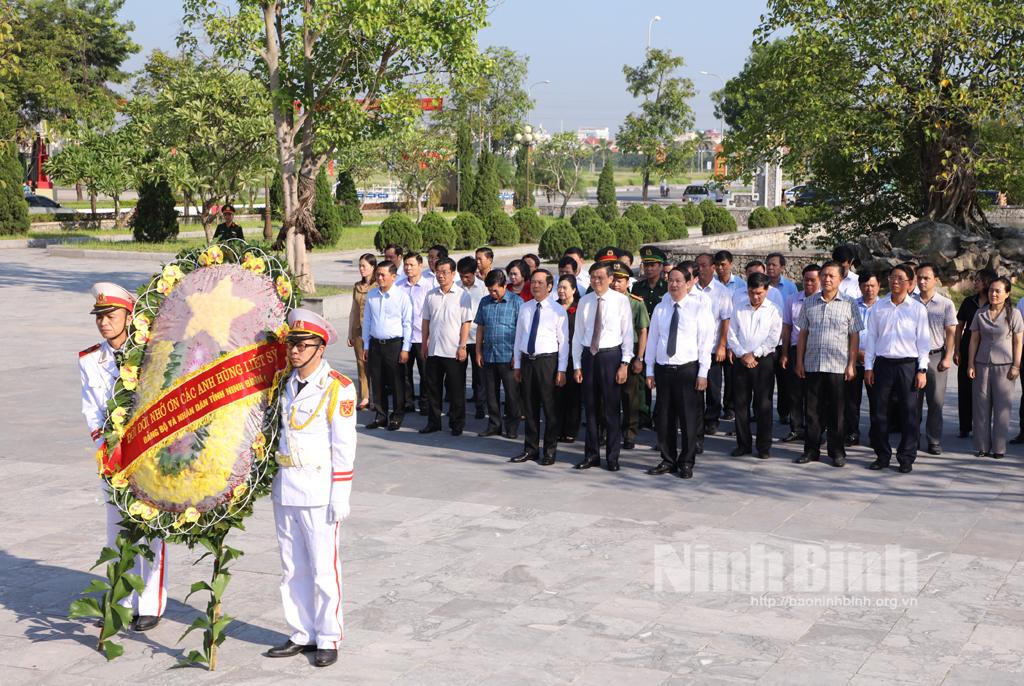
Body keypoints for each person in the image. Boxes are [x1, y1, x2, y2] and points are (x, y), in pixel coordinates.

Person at [267, 309, 355, 668]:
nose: (295, 351)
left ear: (320, 347)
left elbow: (343, 447)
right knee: (291, 566)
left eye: (303, 344)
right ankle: (301, 631)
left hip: (319, 490)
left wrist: (340, 496)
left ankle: (329, 635)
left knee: (322, 567)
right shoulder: (285, 383)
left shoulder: (338, 386)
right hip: (286, 486)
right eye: (292, 343)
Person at [80, 282, 167, 632]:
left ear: (129, 316)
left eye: (111, 315)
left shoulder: (151, 355)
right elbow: (91, 409)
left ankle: (149, 602)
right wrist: (108, 443)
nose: (104, 322)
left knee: (149, 529)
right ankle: (120, 598)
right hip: (113, 457)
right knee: (116, 532)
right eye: (99, 316)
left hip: (147, 455)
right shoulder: (91, 360)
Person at [645, 263, 715, 478]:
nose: (673, 284)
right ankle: (667, 459)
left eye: (678, 281)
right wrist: (649, 369)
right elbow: (653, 339)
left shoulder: (699, 308)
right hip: (664, 369)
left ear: (689, 283)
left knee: (688, 419)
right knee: (664, 417)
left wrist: (703, 372)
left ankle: (686, 462)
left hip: (688, 370)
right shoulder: (661, 308)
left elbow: (705, 342)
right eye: (671, 280)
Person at [864, 264, 931, 473]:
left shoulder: (917, 309)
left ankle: (906, 457)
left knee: (909, 413)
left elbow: (923, 342)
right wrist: (868, 367)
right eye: (892, 277)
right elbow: (872, 338)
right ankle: (882, 455)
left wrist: (922, 370)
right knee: (878, 412)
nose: (895, 281)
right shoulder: (879, 307)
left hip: (908, 366)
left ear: (910, 283)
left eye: (901, 278)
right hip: (883, 364)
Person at [794, 262, 862, 467]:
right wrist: (799, 361)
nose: (827, 279)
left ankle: (836, 451)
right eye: (824, 275)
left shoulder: (850, 303)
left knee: (837, 412)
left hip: (837, 366)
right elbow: (803, 334)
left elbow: (854, 336)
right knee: (812, 411)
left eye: (831, 276)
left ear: (841, 279)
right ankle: (811, 450)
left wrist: (851, 364)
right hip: (813, 364)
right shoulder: (809, 302)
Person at [572, 262, 633, 471]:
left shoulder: (620, 301)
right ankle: (591, 455)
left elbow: (627, 334)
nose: (596, 281)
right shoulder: (585, 302)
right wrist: (577, 365)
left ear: (610, 279)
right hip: (589, 356)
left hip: (611, 357)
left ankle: (613, 457)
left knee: (611, 410)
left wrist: (625, 363)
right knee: (590, 409)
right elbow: (578, 335)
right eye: (592, 278)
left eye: (600, 277)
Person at [511, 269, 569, 465]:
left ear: (549, 286)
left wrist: (561, 370)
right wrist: (517, 364)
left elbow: (564, 343)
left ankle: (550, 451)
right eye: (533, 282)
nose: (535, 286)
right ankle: (530, 448)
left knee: (550, 409)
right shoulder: (525, 308)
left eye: (540, 283)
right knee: (529, 407)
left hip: (548, 363)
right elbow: (519, 337)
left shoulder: (557, 310)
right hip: (528, 361)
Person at [728, 272, 783, 459]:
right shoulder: (738, 308)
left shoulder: (773, 310)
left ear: (766, 290)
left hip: (763, 361)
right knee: (741, 404)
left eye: (759, 292)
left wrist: (755, 354)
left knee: (763, 404)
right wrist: (743, 354)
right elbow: (731, 335)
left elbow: (773, 338)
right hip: (741, 359)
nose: (755, 296)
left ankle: (763, 446)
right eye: (752, 292)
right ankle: (743, 444)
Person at [967, 277, 1023, 459]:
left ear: (1007, 294)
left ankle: (999, 448)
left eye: (998, 291)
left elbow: (1018, 341)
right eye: (991, 290)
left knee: (1002, 408)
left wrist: (1016, 365)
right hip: (982, 364)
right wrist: (970, 364)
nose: (994, 294)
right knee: (981, 406)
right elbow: (974, 339)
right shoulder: (980, 313)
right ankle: (982, 446)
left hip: (1005, 366)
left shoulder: (1013, 314)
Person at [420, 258, 473, 436]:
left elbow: (466, 322)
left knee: (456, 390)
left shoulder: (462, 295)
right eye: (438, 272)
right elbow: (426, 321)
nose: (440, 275)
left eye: (444, 272)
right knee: (433, 389)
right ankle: (433, 422)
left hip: (453, 351)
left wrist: (463, 345)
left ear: (453, 273)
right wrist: (424, 344)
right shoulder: (431, 295)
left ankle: (457, 423)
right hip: (434, 349)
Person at [362, 262, 412, 430]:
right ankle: (381, 415)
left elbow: (407, 323)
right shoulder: (372, 295)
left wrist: (406, 348)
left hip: (394, 344)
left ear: (393, 276)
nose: (380, 278)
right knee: (377, 381)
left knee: (396, 381)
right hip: (376, 344)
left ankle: (397, 415)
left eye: (383, 275)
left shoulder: (402, 296)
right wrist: (366, 345)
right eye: (378, 274)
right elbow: (367, 320)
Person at [913, 263, 957, 455]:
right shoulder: (909, 301)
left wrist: (947, 357)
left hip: (936, 356)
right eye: (919, 277)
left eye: (926, 278)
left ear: (935, 280)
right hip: (912, 358)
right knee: (912, 402)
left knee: (935, 402)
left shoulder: (945, 303)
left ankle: (934, 440)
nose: (922, 281)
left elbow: (951, 332)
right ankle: (912, 438)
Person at [475, 270, 522, 439]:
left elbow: (521, 331)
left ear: (504, 285)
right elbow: (480, 327)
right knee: (491, 393)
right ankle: (494, 425)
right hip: (489, 355)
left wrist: (517, 356)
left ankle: (512, 427)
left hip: (508, 356)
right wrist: (478, 351)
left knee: (511, 394)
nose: (492, 294)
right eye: (489, 290)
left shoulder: (517, 302)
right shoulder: (484, 302)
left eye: (495, 290)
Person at [779, 264, 820, 443]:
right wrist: (785, 353)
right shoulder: (792, 299)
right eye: (806, 280)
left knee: (814, 394)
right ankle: (796, 428)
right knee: (794, 392)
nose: (809, 283)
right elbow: (787, 327)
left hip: (816, 351)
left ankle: (815, 431)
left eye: (813, 280)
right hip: (796, 350)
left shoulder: (822, 301)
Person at [694, 253, 733, 437]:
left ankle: (712, 419)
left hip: (712, 347)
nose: (700, 269)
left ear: (713, 267)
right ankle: (696, 419)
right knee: (694, 387)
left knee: (713, 387)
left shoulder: (721, 291)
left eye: (703, 266)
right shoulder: (690, 289)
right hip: (693, 349)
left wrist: (722, 346)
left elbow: (726, 320)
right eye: (698, 266)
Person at [611, 261, 649, 450]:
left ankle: (630, 433)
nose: (615, 284)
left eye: (620, 280)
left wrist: (639, 358)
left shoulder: (635, 302)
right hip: (610, 350)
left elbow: (642, 331)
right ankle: (609, 431)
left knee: (630, 396)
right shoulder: (605, 300)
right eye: (614, 280)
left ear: (627, 282)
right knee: (609, 395)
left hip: (631, 349)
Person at [955, 269, 997, 438]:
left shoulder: (996, 303)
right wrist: (956, 349)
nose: (975, 283)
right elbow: (958, 327)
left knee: (985, 390)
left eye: (978, 280)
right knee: (965, 388)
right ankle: (965, 426)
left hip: (987, 350)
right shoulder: (968, 302)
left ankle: (983, 425)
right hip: (967, 348)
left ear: (987, 282)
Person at [848, 271, 881, 445]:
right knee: (852, 401)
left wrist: (870, 354)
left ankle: (876, 435)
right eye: (866, 286)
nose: (869, 289)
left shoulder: (884, 307)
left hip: (876, 362)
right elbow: (845, 332)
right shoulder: (851, 305)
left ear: (879, 287)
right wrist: (856, 353)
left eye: (873, 285)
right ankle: (852, 433)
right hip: (854, 359)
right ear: (860, 287)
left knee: (877, 401)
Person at [398, 253, 432, 415]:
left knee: (425, 373)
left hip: (422, 337)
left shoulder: (429, 287)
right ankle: (408, 401)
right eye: (406, 265)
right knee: (404, 372)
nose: (408, 268)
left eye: (411, 265)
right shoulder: (398, 287)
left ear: (420, 266)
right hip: (404, 337)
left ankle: (425, 403)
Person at [458, 257, 488, 420]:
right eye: (462, 276)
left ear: (474, 273)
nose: (464, 279)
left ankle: (480, 406)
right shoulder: (455, 288)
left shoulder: (483, 288)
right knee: (458, 375)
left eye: (467, 276)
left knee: (479, 376)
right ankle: (458, 406)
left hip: (478, 338)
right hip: (460, 339)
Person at [347, 253, 377, 410]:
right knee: (361, 364)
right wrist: (349, 333)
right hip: (358, 330)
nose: (361, 269)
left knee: (374, 364)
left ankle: (377, 396)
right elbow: (353, 309)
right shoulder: (357, 286)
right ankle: (365, 397)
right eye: (359, 265)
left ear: (373, 267)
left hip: (373, 331)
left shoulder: (378, 285)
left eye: (364, 266)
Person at [555, 275, 582, 442]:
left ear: (573, 290)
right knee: (557, 394)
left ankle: (571, 429)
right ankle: (557, 428)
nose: (561, 291)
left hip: (574, 356)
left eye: (565, 287)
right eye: (559, 287)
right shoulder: (552, 307)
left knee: (573, 395)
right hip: (555, 356)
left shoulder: (579, 308)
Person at [632, 246, 668, 317]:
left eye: (652, 265)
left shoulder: (667, 288)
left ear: (661, 267)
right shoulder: (637, 287)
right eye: (646, 265)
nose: (648, 268)